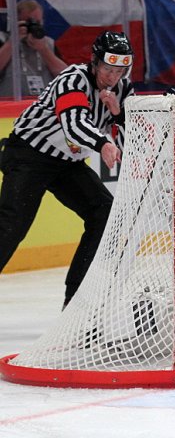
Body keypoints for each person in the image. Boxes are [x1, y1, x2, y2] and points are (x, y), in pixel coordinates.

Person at [0, 31, 135, 308]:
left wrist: (118, 114)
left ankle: (75, 301)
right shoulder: (72, 79)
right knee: (12, 226)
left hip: (67, 163)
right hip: (29, 154)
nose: (113, 77)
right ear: (95, 63)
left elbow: (130, 140)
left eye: (120, 70)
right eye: (108, 69)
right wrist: (102, 144)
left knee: (104, 212)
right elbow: (73, 124)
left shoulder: (123, 89)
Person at [0, 0, 68, 98]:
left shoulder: (48, 43)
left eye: (37, 22)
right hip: (10, 104)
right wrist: (12, 42)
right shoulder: (3, 39)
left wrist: (44, 50)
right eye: (29, 22)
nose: (33, 26)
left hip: (42, 104)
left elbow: (65, 74)